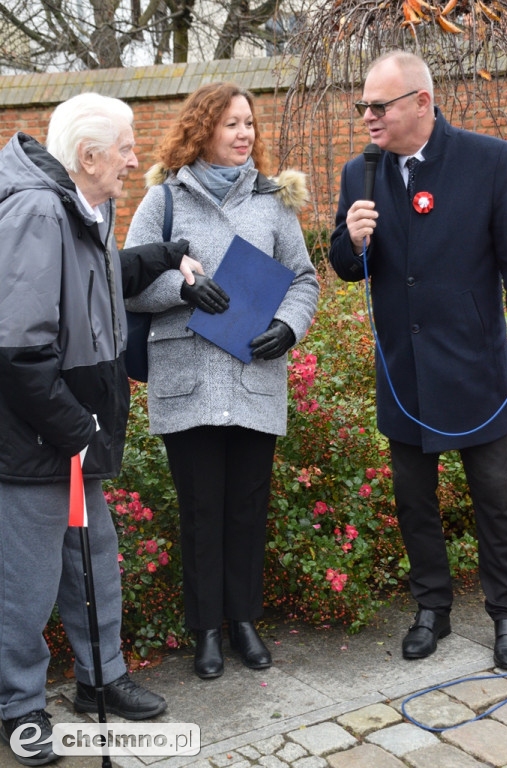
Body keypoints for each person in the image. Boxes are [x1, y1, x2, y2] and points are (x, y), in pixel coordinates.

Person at [0, 92, 203, 766]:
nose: (134, 158)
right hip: (37, 439)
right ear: (87, 157)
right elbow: (18, 350)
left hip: (72, 433)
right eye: (123, 148)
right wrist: (75, 429)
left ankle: (100, 681)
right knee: (23, 588)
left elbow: (98, 282)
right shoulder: (34, 211)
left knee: (93, 566)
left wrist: (167, 254)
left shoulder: (83, 204)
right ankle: (20, 709)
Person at [125, 81, 319, 680]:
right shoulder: (162, 201)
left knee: (246, 509)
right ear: (203, 129)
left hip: (255, 378)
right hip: (186, 383)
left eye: (250, 124)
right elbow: (127, 282)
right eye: (232, 124)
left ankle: (243, 622)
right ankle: (205, 630)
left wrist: (288, 328)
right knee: (202, 511)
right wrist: (181, 288)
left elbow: (304, 279)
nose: (245, 135)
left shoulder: (273, 201)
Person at [329, 49, 507, 666]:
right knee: (415, 501)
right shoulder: (361, 172)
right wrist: (350, 241)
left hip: (477, 369)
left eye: (379, 107)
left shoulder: (491, 162)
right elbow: (347, 267)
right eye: (363, 107)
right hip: (404, 373)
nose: (368, 118)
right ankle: (431, 609)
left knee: (498, 498)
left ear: (422, 103)